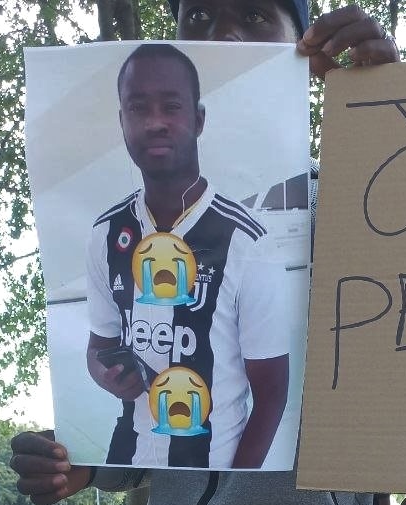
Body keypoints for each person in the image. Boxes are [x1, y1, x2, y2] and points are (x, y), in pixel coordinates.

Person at [11, 3, 406, 505]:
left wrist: (389, 107)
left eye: (255, 15)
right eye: (200, 16)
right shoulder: (107, 230)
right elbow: (137, 403)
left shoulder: (365, 208)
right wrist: (85, 459)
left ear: (304, 44)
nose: (226, 36)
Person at [89, 43, 291, 469]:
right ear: (122, 121)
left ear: (198, 119)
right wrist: (107, 376)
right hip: (138, 470)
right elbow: (99, 347)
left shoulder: (249, 242)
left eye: (171, 107)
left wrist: (232, 490)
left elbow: (272, 393)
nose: (154, 122)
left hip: (218, 471)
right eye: (138, 108)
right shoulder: (106, 234)